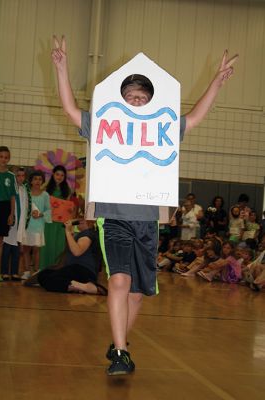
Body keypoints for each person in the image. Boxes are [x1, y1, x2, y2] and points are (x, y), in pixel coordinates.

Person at [51, 35, 238, 375]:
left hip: (148, 219)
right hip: (115, 216)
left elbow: (194, 118)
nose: (136, 100)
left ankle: (119, 341)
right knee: (119, 281)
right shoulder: (105, 123)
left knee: (138, 293)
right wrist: (61, 67)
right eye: (130, 95)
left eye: (142, 96)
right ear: (120, 99)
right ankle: (121, 353)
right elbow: (69, 108)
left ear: (151, 101)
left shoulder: (161, 124)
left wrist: (217, 82)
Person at [25, 219, 107, 295]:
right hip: (77, 271)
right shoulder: (84, 234)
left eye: (82, 220)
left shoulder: (87, 234)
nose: (79, 221)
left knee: (48, 278)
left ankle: (86, 287)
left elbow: (77, 252)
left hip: (82, 270)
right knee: (45, 274)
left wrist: (67, 232)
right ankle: (78, 286)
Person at [21, 170, 52, 279]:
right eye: (35, 179)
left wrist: (41, 214)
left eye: (40, 179)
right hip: (27, 224)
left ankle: (36, 271)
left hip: (38, 225)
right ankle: (26, 271)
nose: (38, 181)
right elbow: (23, 207)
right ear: (31, 181)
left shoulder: (45, 195)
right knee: (26, 248)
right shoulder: (26, 193)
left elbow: (49, 210)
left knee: (36, 249)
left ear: (42, 181)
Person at [39, 165, 71, 270]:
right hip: (48, 222)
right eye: (57, 174)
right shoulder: (45, 188)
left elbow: (68, 207)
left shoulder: (67, 190)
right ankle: (43, 270)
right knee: (47, 245)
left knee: (59, 246)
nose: (59, 177)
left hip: (61, 224)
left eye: (62, 175)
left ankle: (56, 270)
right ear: (53, 174)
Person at [1, 167, 29, 280]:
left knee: (16, 250)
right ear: (13, 177)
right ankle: (4, 272)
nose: (21, 178)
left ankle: (14, 272)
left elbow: (27, 205)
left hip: (20, 223)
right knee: (7, 248)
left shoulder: (24, 189)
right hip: (11, 221)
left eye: (23, 176)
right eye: (18, 176)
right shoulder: (10, 188)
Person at [0, 146, 17, 281]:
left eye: (6, 157)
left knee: (0, 242)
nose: (3, 159)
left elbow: (12, 197)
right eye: (1, 156)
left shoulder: (11, 176)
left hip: (4, 208)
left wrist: (11, 214)